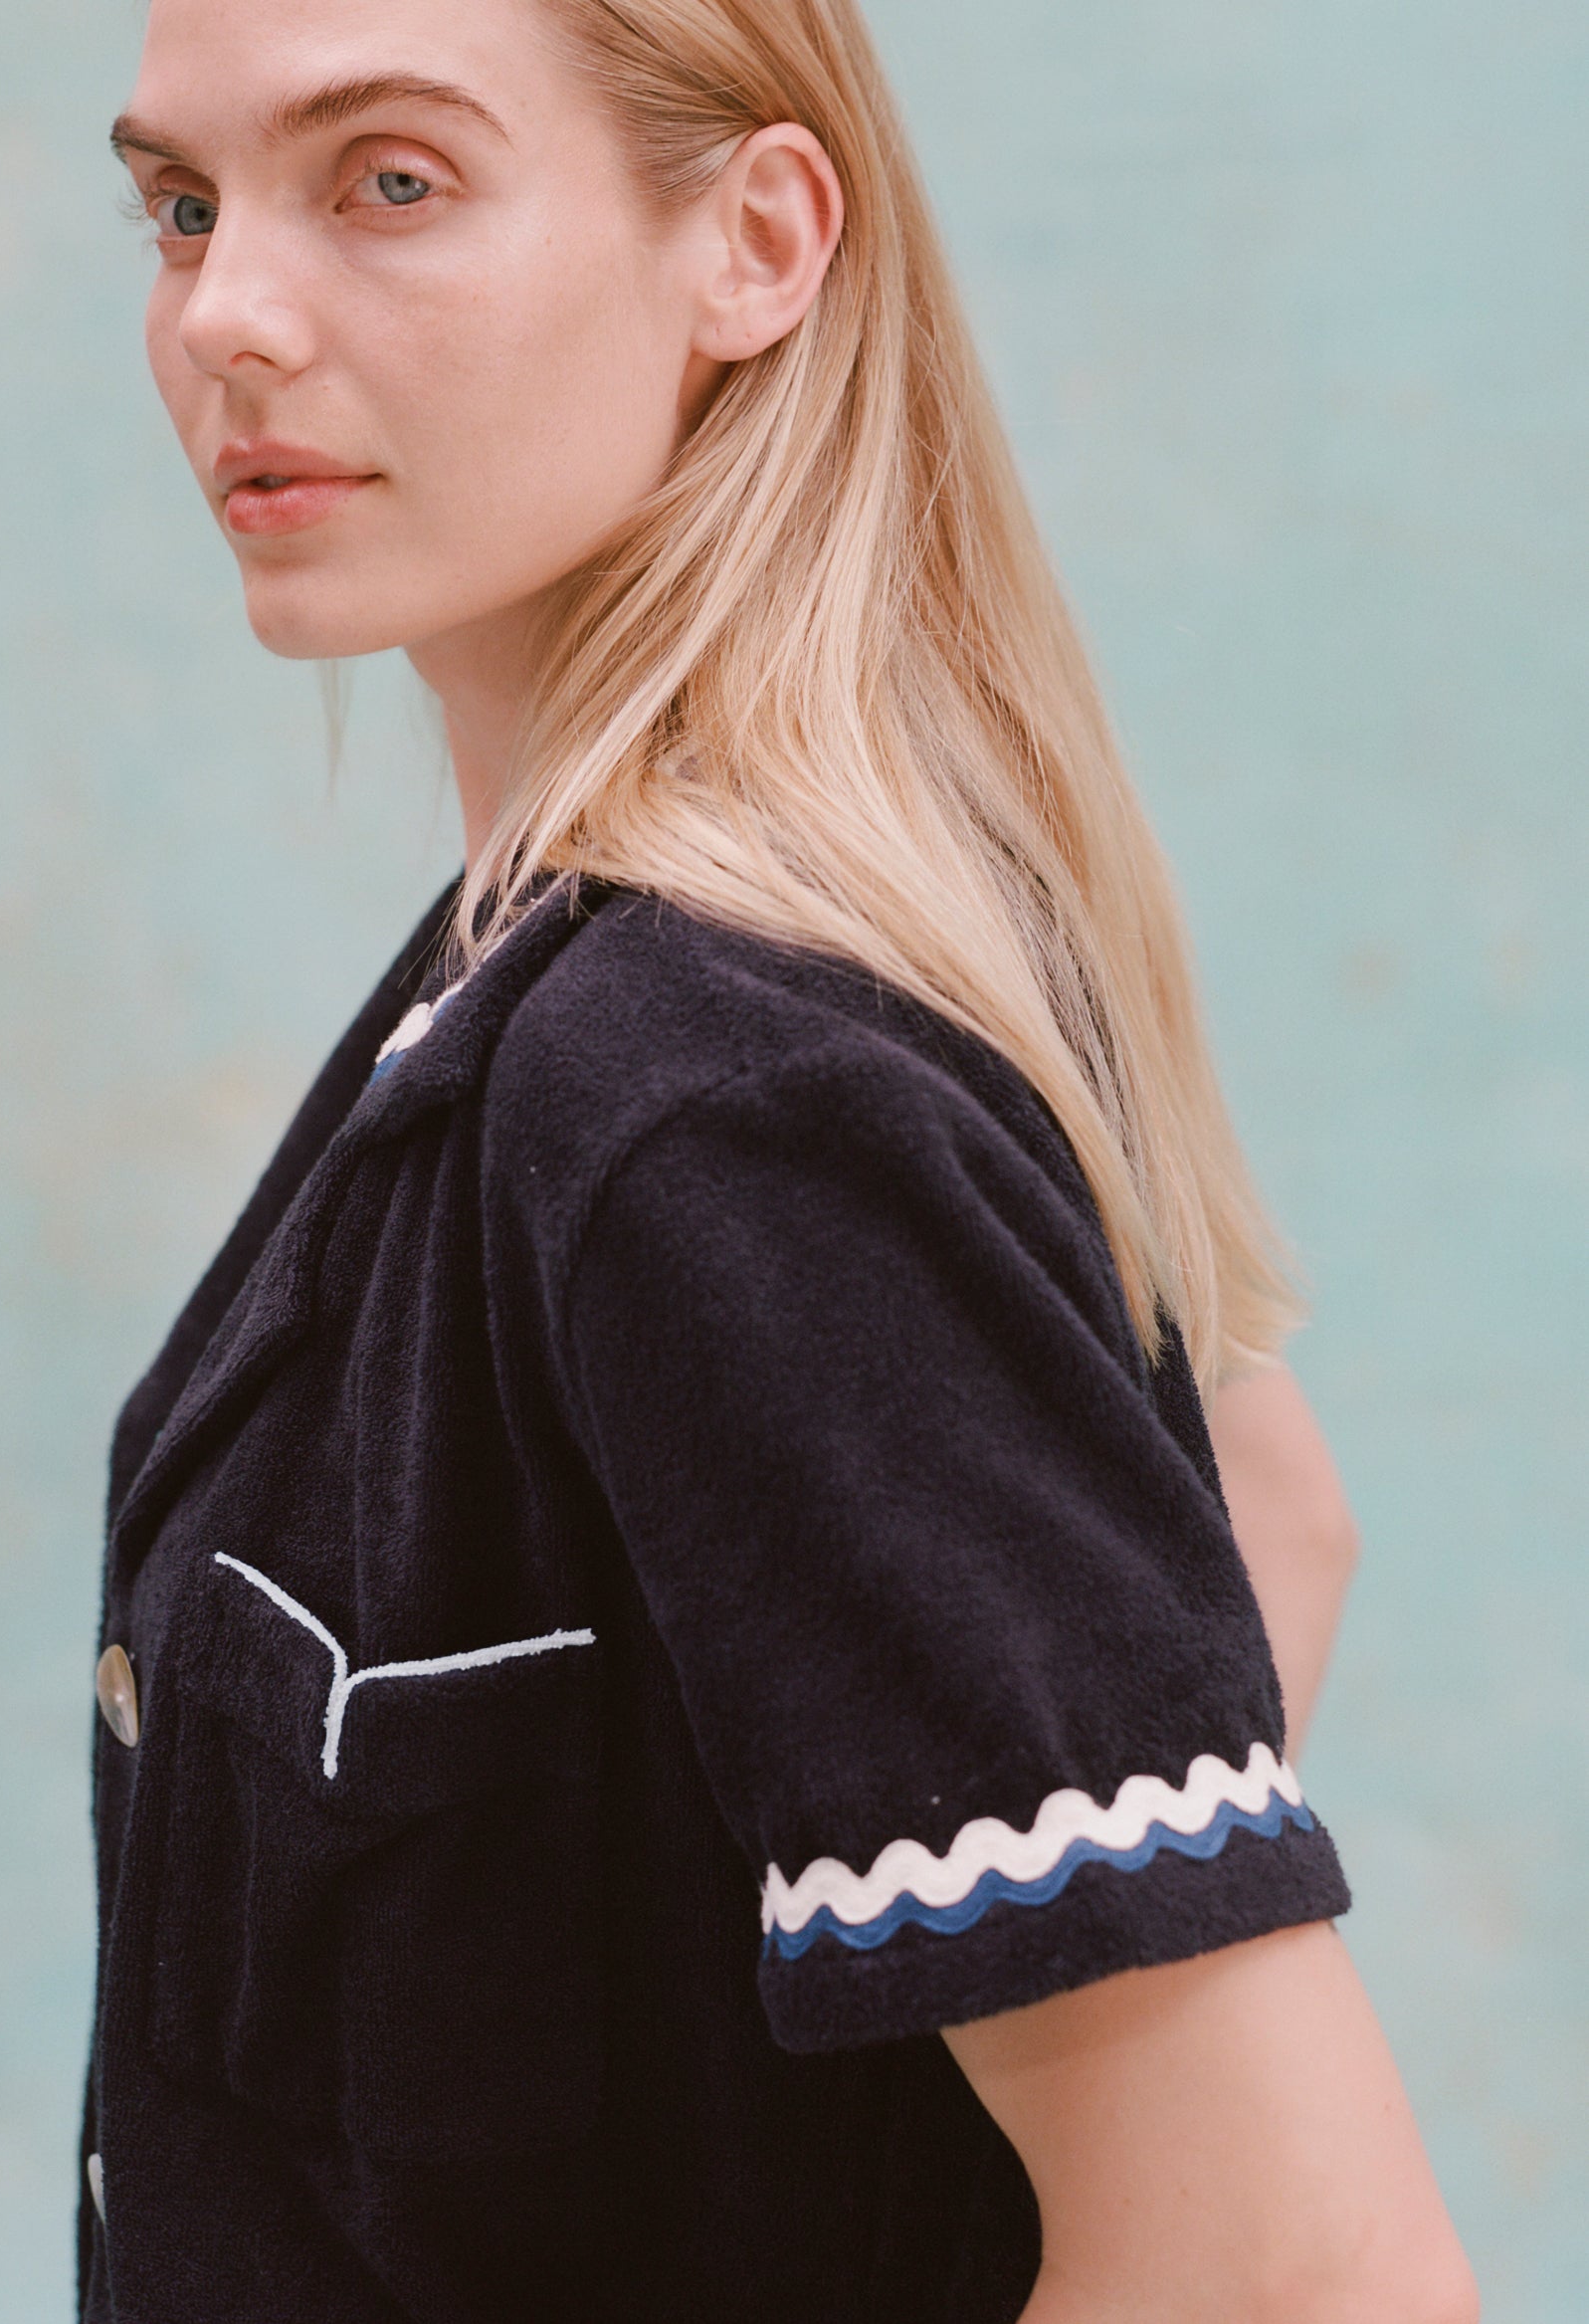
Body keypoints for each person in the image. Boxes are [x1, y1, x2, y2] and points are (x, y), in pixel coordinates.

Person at [85, 0, 1477, 2315]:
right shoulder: (560, 969)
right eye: (179, 205)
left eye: (390, 180)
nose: (224, 308)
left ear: (751, 242)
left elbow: (1290, 2274)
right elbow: (1264, 1520)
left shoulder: (706, 1096)